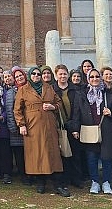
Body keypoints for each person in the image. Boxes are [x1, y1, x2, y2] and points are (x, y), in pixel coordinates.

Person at [13, 66, 69, 197]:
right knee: (37, 155)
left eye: (39, 74)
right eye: (34, 74)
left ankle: (58, 184)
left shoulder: (48, 87)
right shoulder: (23, 90)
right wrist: (21, 124)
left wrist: (52, 106)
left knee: (53, 154)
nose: (36, 76)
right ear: (29, 75)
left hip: (49, 126)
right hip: (33, 127)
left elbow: (59, 102)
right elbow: (17, 110)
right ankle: (41, 182)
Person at [69, 69, 112, 195]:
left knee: (106, 157)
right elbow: (76, 112)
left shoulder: (108, 93)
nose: (95, 79)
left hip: (106, 128)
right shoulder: (82, 94)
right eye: (92, 77)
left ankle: (107, 182)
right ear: (88, 78)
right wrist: (75, 129)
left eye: (97, 76)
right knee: (91, 157)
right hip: (89, 128)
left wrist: (111, 113)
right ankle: (95, 181)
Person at [52, 64, 83, 189]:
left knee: (75, 154)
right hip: (60, 126)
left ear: (68, 75)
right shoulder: (52, 89)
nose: (63, 76)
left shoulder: (74, 90)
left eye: (65, 74)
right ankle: (63, 179)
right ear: (56, 75)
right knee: (62, 153)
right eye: (60, 74)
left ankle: (75, 178)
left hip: (73, 125)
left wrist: (75, 127)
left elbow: (77, 109)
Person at [5, 67, 27, 184]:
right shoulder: (11, 92)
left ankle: (32, 175)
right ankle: (23, 175)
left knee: (30, 154)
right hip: (17, 129)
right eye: (17, 77)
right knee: (19, 155)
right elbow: (9, 110)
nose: (19, 78)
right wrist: (14, 127)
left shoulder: (31, 88)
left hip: (31, 127)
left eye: (20, 75)